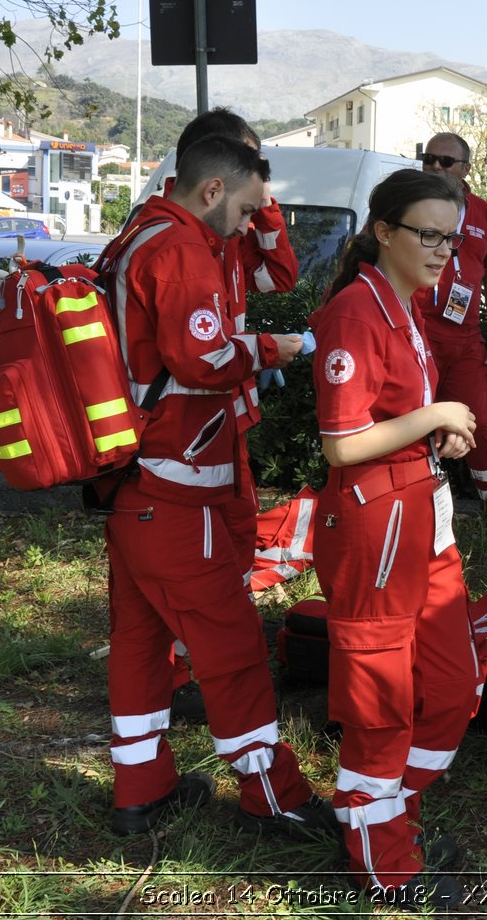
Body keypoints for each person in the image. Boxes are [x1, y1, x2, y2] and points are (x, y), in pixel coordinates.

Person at [99, 134, 332, 838]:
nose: (242, 224)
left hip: (138, 487)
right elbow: (203, 359)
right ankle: (273, 796)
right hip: (179, 485)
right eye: (241, 208)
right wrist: (276, 348)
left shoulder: (144, 234)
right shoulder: (178, 250)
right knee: (230, 649)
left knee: (139, 640)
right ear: (210, 191)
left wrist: (264, 212)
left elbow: (273, 276)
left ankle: (140, 788)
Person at [310, 169, 482, 906]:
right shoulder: (355, 311)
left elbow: (395, 416)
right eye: (429, 234)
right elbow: (342, 443)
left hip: (421, 516)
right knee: (382, 700)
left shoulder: (405, 303)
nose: (444, 249)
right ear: (385, 231)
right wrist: (437, 411)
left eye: (452, 236)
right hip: (377, 526)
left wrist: (435, 433)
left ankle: (386, 815)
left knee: (452, 685)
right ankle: (384, 861)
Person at [415, 132, 487, 532]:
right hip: (416, 334)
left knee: (480, 426)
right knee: (410, 422)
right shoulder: (408, 205)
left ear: (466, 169)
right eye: (429, 159)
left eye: (446, 161)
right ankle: (415, 512)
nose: (436, 167)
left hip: (464, 341)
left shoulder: (482, 213)